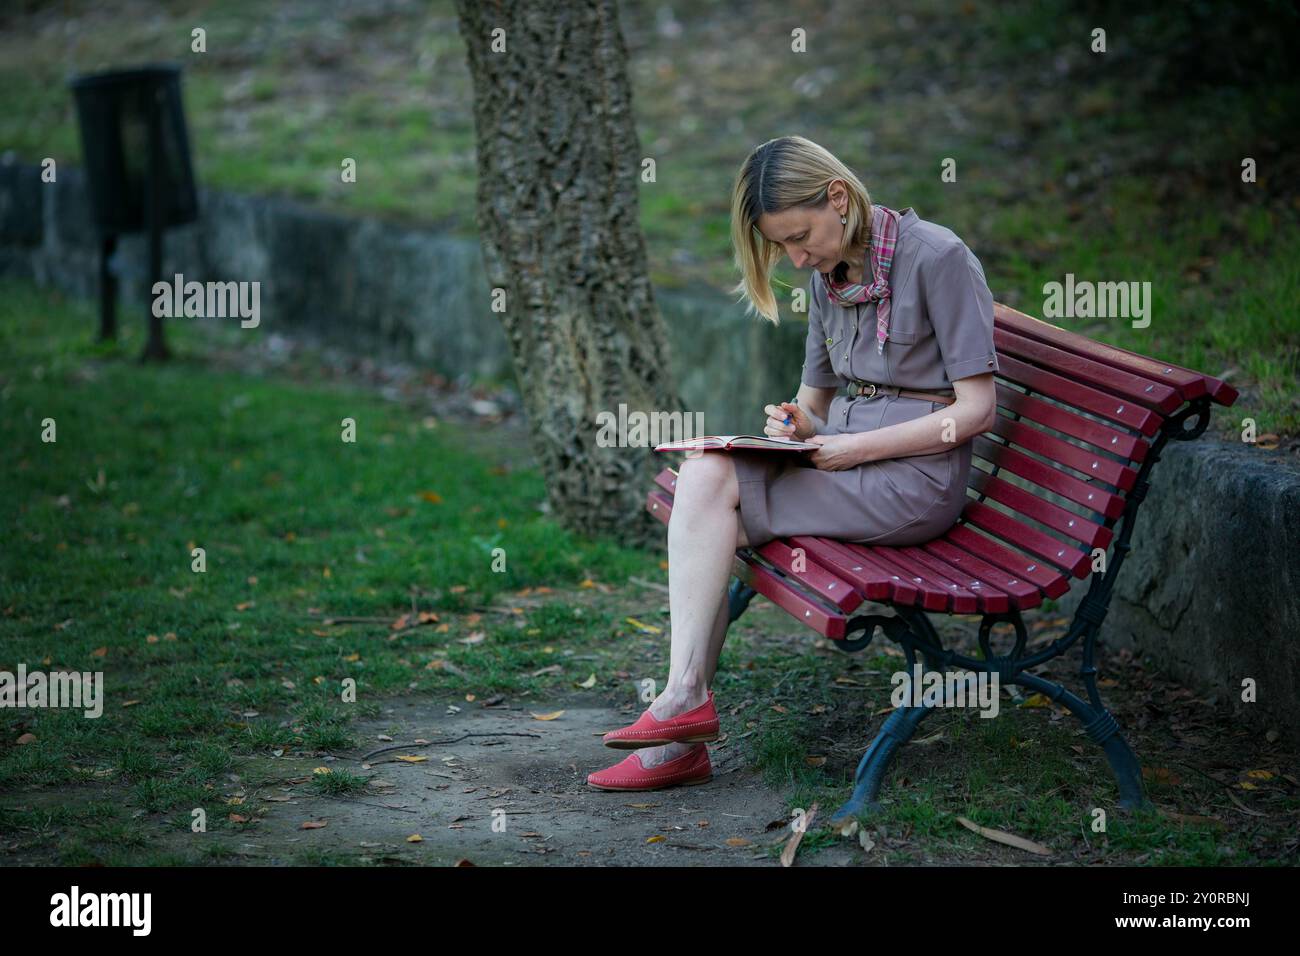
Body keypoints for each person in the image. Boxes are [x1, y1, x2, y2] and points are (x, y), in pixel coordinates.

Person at [587, 135, 1000, 792]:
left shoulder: (938, 259)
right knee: (703, 473)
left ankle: (679, 725)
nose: (796, 256)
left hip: (916, 483)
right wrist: (798, 426)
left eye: (800, 236)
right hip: (846, 464)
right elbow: (814, 405)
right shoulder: (827, 276)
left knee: (709, 508)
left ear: (838, 197)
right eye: (782, 245)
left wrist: (851, 446)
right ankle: (681, 704)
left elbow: (976, 411)